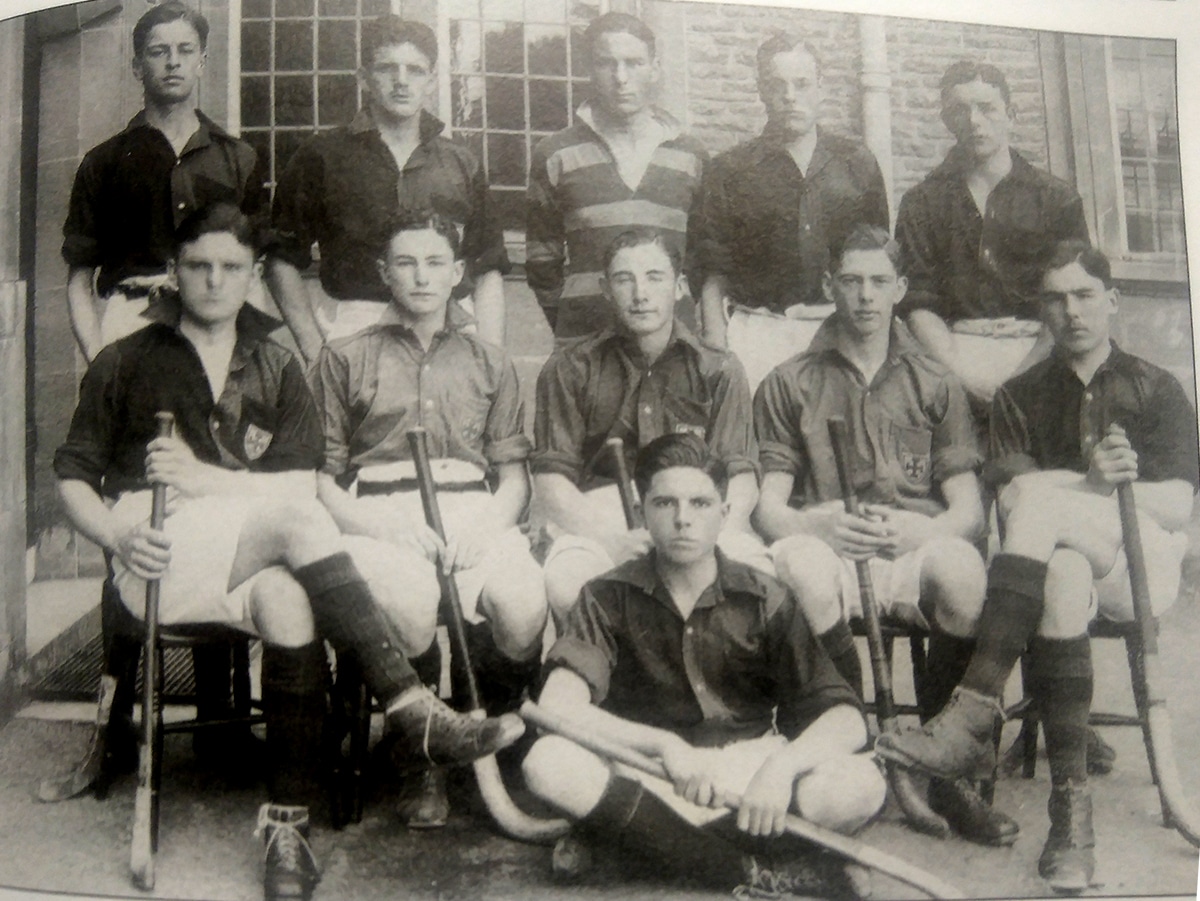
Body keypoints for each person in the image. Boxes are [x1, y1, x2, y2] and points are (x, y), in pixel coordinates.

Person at [53, 203, 524, 901]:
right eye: (199, 266)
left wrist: (212, 479)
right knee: (300, 523)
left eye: (232, 268)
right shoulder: (126, 359)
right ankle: (410, 704)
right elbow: (72, 476)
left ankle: (288, 824)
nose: (216, 281)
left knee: (291, 602)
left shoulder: (275, 357)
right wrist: (115, 535)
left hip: (249, 541)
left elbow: (304, 476)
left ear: (251, 276)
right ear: (175, 273)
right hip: (156, 548)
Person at [876, 241, 1199, 895]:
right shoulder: (1020, 395)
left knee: (1048, 512)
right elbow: (1015, 499)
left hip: (1142, 564)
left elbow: (1178, 502)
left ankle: (975, 709)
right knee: (1060, 575)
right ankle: (1070, 822)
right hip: (1064, 567)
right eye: (1055, 297)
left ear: (1112, 300)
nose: (1071, 310)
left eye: (1084, 295)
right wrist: (1093, 481)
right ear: (1041, 309)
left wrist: (1094, 490)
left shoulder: (1156, 386)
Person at [522, 433, 886, 898]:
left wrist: (781, 769)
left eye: (699, 503)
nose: (682, 520)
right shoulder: (606, 595)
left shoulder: (764, 596)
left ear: (725, 514)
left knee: (860, 784)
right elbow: (558, 708)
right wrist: (665, 746)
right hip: (648, 772)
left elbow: (847, 718)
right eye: (664, 503)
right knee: (547, 762)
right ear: (643, 510)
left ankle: (643, 842)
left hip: (746, 774)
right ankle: (750, 868)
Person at [753, 224, 1018, 846]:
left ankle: (940, 763)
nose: (865, 296)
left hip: (908, 545)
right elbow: (767, 509)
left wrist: (920, 528)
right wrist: (812, 523)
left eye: (879, 281)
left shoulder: (935, 380)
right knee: (802, 569)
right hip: (829, 545)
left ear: (901, 287)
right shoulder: (790, 380)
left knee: (962, 571)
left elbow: (967, 513)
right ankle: (860, 736)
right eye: (850, 281)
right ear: (828, 286)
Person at [311, 210, 548, 828]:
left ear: (459, 274)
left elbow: (514, 478)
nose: (421, 277)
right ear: (383, 273)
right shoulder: (342, 357)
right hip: (378, 512)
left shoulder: (490, 361)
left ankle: (492, 735)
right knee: (413, 609)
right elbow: (320, 481)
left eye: (435, 262)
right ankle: (420, 754)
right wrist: (381, 528)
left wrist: (486, 527)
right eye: (407, 263)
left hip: (473, 509)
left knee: (523, 606)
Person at [533, 227, 763, 627]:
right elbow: (553, 483)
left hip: (697, 517)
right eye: (625, 279)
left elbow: (741, 476)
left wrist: (706, 537)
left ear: (679, 287)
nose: (640, 293)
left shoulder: (720, 369)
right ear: (606, 288)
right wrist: (610, 539)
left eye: (655, 277)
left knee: (757, 580)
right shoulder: (570, 368)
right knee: (570, 583)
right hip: (598, 519)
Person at [268, 16, 509, 363]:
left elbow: (488, 266)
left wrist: (491, 357)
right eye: (386, 69)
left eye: (415, 70)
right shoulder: (322, 156)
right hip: (356, 332)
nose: (401, 81)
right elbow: (281, 259)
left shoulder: (461, 162)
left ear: (431, 81)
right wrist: (313, 349)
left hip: (450, 335)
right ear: (363, 77)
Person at [63, 0, 267, 364]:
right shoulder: (103, 162)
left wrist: (248, 350)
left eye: (185, 50)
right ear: (138, 67)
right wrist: (98, 360)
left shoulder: (238, 158)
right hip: (131, 323)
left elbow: (254, 265)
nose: (173, 62)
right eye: (159, 52)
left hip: (219, 320)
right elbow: (79, 276)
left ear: (201, 62)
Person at [691, 34, 888, 390]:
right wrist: (717, 344)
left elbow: (879, 259)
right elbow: (712, 268)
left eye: (802, 84)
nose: (790, 96)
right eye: (778, 85)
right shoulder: (730, 169)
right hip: (758, 332)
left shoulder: (857, 163)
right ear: (761, 90)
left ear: (821, 88)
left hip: (840, 330)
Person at [895, 60, 1090, 415]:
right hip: (952, 358)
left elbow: (1070, 299)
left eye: (986, 108)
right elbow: (917, 304)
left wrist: (1022, 377)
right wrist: (961, 376)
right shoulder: (921, 202)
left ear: (1011, 114)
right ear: (946, 120)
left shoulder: (1057, 199)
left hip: (1042, 354)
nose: (973, 121)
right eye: (960, 110)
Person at [526, 12, 706, 338]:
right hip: (584, 349)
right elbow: (541, 262)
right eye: (606, 63)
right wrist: (575, 326)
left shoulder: (690, 155)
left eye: (634, 63)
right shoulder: (555, 154)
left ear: (655, 68)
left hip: (672, 351)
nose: (620, 77)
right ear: (589, 70)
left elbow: (704, 260)